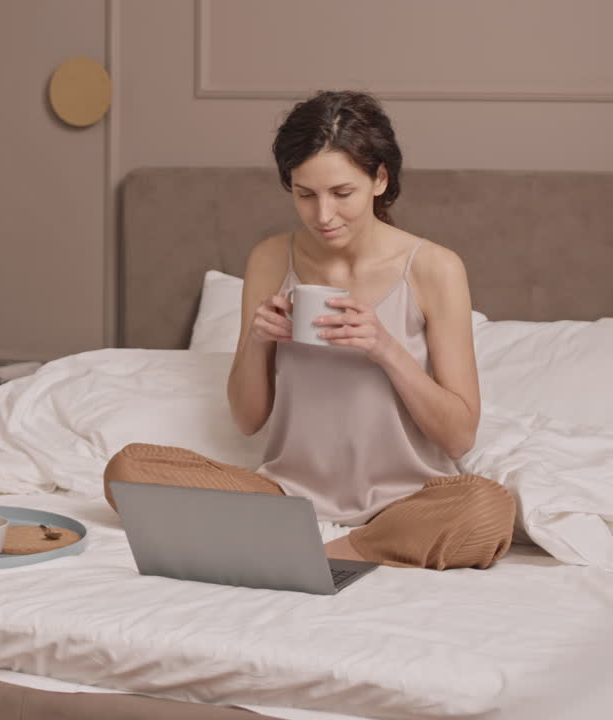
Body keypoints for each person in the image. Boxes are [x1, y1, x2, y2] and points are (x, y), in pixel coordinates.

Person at [104, 90, 514, 570]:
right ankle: (291, 540)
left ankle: (336, 552)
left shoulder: (435, 268)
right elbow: (247, 419)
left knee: (488, 509)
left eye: (342, 194)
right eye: (305, 195)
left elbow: (460, 436)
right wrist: (259, 341)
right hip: (285, 497)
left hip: (405, 503)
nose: (323, 216)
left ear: (379, 179)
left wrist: (384, 348)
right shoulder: (271, 258)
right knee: (127, 470)